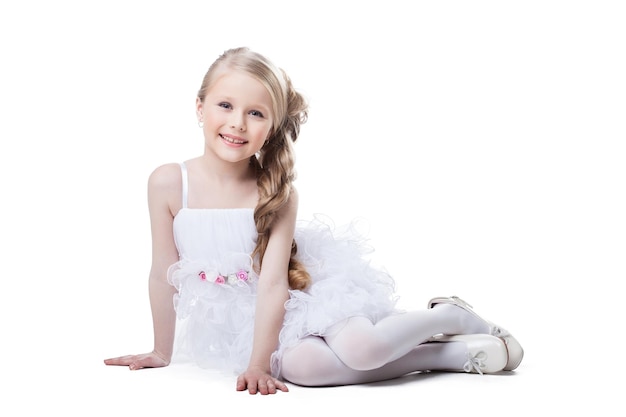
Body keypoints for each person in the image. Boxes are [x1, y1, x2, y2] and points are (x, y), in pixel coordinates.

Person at [104, 46, 524, 395]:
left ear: (271, 126)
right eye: (225, 105)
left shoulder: (275, 191)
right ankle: (446, 356)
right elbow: (163, 273)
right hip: (246, 318)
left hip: (304, 287)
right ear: (200, 107)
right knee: (305, 370)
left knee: (362, 349)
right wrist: (162, 351)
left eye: (256, 113)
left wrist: (257, 364)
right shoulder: (168, 182)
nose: (236, 123)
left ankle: (446, 316)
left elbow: (273, 284)